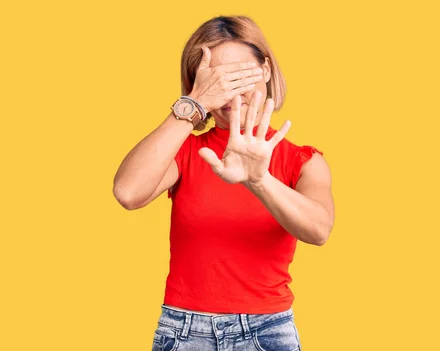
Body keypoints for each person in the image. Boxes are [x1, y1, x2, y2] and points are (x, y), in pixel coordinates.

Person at [112, 15, 335, 351]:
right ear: (196, 83)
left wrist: (259, 180)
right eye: (217, 79)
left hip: (267, 332)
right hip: (183, 330)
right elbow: (128, 192)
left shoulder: (303, 160)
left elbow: (318, 230)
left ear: (267, 71)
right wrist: (193, 106)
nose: (232, 91)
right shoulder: (187, 151)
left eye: (241, 74)